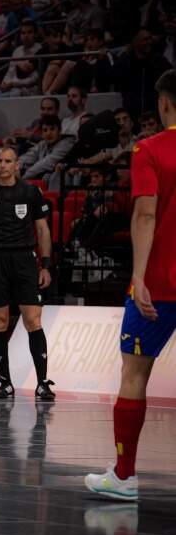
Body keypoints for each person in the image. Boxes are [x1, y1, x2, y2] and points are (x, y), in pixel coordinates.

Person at [84, 70, 176, 501]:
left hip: (160, 284)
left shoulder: (149, 149)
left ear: (165, 104)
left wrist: (138, 276)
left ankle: (124, 476)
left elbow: (144, 214)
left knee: (134, 375)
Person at [0, 146, 55, 402]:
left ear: (17, 165)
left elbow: (43, 231)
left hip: (25, 260)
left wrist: (46, 265)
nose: (3, 165)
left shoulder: (30, 192)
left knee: (32, 320)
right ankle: (5, 382)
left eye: (8, 161)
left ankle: (42, 383)